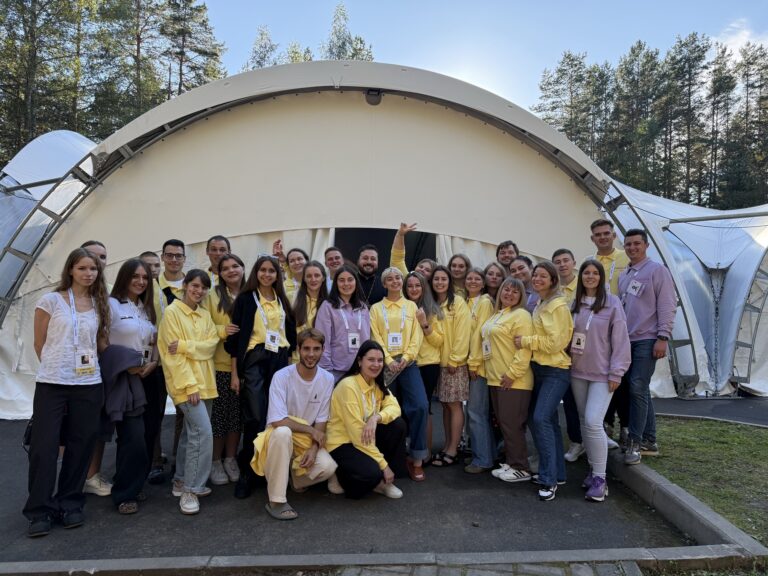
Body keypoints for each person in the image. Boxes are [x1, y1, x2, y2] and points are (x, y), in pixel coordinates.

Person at [24, 248, 110, 537]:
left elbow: (101, 344)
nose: (88, 273)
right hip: (52, 383)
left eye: (93, 269)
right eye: (82, 268)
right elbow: (39, 343)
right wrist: (58, 368)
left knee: (81, 444)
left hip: (88, 384)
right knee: (44, 447)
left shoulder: (100, 304)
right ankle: (39, 510)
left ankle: (70, 503)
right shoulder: (51, 301)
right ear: (70, 270)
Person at [227, 255, 296, 499]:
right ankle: (248, 472)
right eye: (263, 270)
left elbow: (290, 336)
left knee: (275, 416)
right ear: (256, 272)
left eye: (271, 271)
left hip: (280, 359)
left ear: (278, 275)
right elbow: (234, 341)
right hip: (255, 360)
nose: (267, 274)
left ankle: (269, 470)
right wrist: (235, 373)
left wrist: (290, 369)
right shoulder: (246, 299)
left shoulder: (282, 300)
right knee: (254, 416)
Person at [254, 329, 341, 520]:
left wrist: (314, 448)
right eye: (306, 349)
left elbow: (321, 420)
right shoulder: (281, 376)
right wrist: (310, 430)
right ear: (298, 350)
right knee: (283, 432)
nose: (311, 354)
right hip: (278, 438)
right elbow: (277, 420)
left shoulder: (327, 379)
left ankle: (295, 479)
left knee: (327, 467)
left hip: (304, 441)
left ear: (323, 350)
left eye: (316, 349)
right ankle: (276, 500)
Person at [158, 269, 219, 515]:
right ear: (185, 285)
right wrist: (190, 386)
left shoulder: (204, 314)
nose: (198, 291)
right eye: (194, 285)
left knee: (190, 433)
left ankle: (181, 479)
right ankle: (191, 490)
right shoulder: (172, 312)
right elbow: (172, 356)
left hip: (206, 383)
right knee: (203, 434)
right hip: (187, 386)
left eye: (203, 287)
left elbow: (211, 346)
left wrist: (186, 346)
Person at [570, 260, 631, 501]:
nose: (590, 276)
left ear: (602, 277)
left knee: (594, 421)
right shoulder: (574, 304)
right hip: (577, 372)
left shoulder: (612, 303)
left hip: (603, 374)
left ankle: (600, 479)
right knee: (584, 421)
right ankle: (593, 469)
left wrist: (617, 372)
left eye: (595, 273)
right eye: (586, 273)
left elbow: (621, 340)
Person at [104, 259, 159, 515]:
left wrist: (154, 362)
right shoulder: (111, 305)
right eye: (135, 276)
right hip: (125, 378)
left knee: (148, 433)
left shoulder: (145, 308)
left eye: (145, 277)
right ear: (124, 277)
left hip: (149, 375)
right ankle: (124, 493)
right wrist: (125, 364)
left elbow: (154, 340)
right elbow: (101, 340)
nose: (140, 281)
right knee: (132, 436)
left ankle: (134, 483)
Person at [516, 261, 573, 501]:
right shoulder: (541, 303)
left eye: (543, 276)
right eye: (536, 275)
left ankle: (549, 479)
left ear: (553, 280)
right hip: (539, 369)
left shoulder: (558, 306)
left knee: (540, 418)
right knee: (544, 420)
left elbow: (556, 343)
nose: (538, 279)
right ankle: (557, 473)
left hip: (555, 371)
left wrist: (526, 341)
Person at [618, 229, 676, 466]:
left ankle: (635, 441)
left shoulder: (657, 271)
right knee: (638, 388)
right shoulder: (625, 275)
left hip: (648, 338)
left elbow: (667, 304)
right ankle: (649, 439)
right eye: (628, 244)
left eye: (637, 243)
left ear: (646, 245)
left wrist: (663, 336)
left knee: (637, 386)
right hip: (627, 340)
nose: (632, 248)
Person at [326, 341, 408, 499]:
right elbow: (357, 434)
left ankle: (382, 479)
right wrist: (383, 465)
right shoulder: (348, 386)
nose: (376, 365)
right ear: (359, 361)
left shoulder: (377, 382)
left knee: (397, 425)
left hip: (363, 437)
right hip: (342, 443)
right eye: (371, 360)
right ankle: (340, 473)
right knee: (371, 473)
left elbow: (395, 407)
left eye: (380, 360)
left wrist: (376, 417)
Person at [370, 267, 429, 479]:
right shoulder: (376, 309)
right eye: (390, 279)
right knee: (385, 411)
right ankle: (386, 459)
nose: (395, 281)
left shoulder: (412, 306)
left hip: (407, 363)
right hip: (383, 364)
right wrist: (387, 360)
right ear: (384, 284)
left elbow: (416, 336)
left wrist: (405, 358)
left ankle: (417, 458)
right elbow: (375, 335)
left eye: (398, 278)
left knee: (420, 406)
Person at [480, 277, 534, 482]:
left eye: (515, 291)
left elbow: (524, 349)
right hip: (496, 378)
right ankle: (512, 462)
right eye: (506, 290)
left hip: (514, 380)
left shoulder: (521, 315)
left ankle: (521, 467)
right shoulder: (499, 314)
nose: (509, 294)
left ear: (521, 296)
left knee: (512, 425)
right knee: (504, 424)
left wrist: (513, 374)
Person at [590, 218, 631, 448]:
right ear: (592, 238)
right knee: (601, 377)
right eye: (598, 234)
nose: (603, 237)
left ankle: (626, 426)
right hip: (598, 328)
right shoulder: (590, 262)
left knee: (622, 380)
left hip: (622, 325)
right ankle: (605, 423)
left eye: (606, 233)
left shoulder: (626, 258)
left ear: (614, 235)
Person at [204, 254, 245, 486]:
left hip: (245, 365)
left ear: (243, 268)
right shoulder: (212, 295)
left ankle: (231, 458)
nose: (231, 270)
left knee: (236, 417)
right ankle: (215, 460)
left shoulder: (251, 293)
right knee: (218, 417)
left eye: (235, 266)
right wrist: (222, 330)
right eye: (226, 268)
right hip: (220, 364)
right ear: (219, 273)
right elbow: (202, 325)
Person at [79, 241, 113, 498]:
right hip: (73, 374)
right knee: (76, 428)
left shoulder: (105, 294)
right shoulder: (62, 296)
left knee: (99, 426)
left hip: (99, 370)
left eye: (102, 257)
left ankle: (92, 475)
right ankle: (76, 475)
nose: (98, 262)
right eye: (92, 257)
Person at [430, 265, 470, 467]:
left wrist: (455, 359)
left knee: (454, 405)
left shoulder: (458, 303)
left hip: (454, 364)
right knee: (445, 406)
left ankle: (453, 449)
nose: (439, 282)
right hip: (439, 363)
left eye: (443, 279)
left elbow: (463, 333)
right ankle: (447, 445)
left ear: (449, 282)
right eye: (436, 279)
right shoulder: (433, 304)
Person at [405, 270, 443, 470]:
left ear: (424, 287)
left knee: (424, 408)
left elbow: (438, 341)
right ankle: (408, 448)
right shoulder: (402, 307)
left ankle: (424, 452)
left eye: (417, 285)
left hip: (427, 364)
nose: (414, 289)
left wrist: (424, 323)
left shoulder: (432, 309)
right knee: (406, 408)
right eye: (410, 285)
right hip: (406, 363)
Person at [552, 248, 585, 463]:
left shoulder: (583, 287)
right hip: (559, 352)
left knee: (587, 398)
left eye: (566, 260)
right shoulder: (553, 290)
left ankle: (596, 436)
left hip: (583, 351)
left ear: (574, 262)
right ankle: (576, 441)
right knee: (570, 399)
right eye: (558, 262)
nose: (562, 264)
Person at [139, 250, 169, 485]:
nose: (153, 270)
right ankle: (150, 461)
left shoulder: (159, 291)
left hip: (160, 361)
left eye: (156, 265)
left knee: (156, 413)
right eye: (148, 266)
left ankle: (154, 456)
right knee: (145, 415)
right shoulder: (137, 294)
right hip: (143, 363)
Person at [464, 268, 496, 474]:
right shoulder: (465, 301)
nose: (473, 281)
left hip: (478, 366)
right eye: (469, 278)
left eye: (477, 279)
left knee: (476, 412)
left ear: (483, 283)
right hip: (469, 362)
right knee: (475, 411)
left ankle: (483, 459)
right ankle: (485, 452)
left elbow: (480, 335)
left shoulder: (484, 302)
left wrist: (474, 363)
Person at [315, 264, 371, 381]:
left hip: (361, 370)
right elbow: (322, 340)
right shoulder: (327, 306)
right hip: (335, 371)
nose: (346, 284)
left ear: (356, 282)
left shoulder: (363, 308)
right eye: (341, 280)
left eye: (350, 280)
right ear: (336, 283)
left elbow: (367, 338)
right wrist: (326, 370)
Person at [291, 260, 328, 363]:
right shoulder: (293, 299)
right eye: (309, 276)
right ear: (304, 278)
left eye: (317, 275)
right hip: (296, 359)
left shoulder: (329, 304)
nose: (313, 279)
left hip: (319, 360)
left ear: (323, 278)